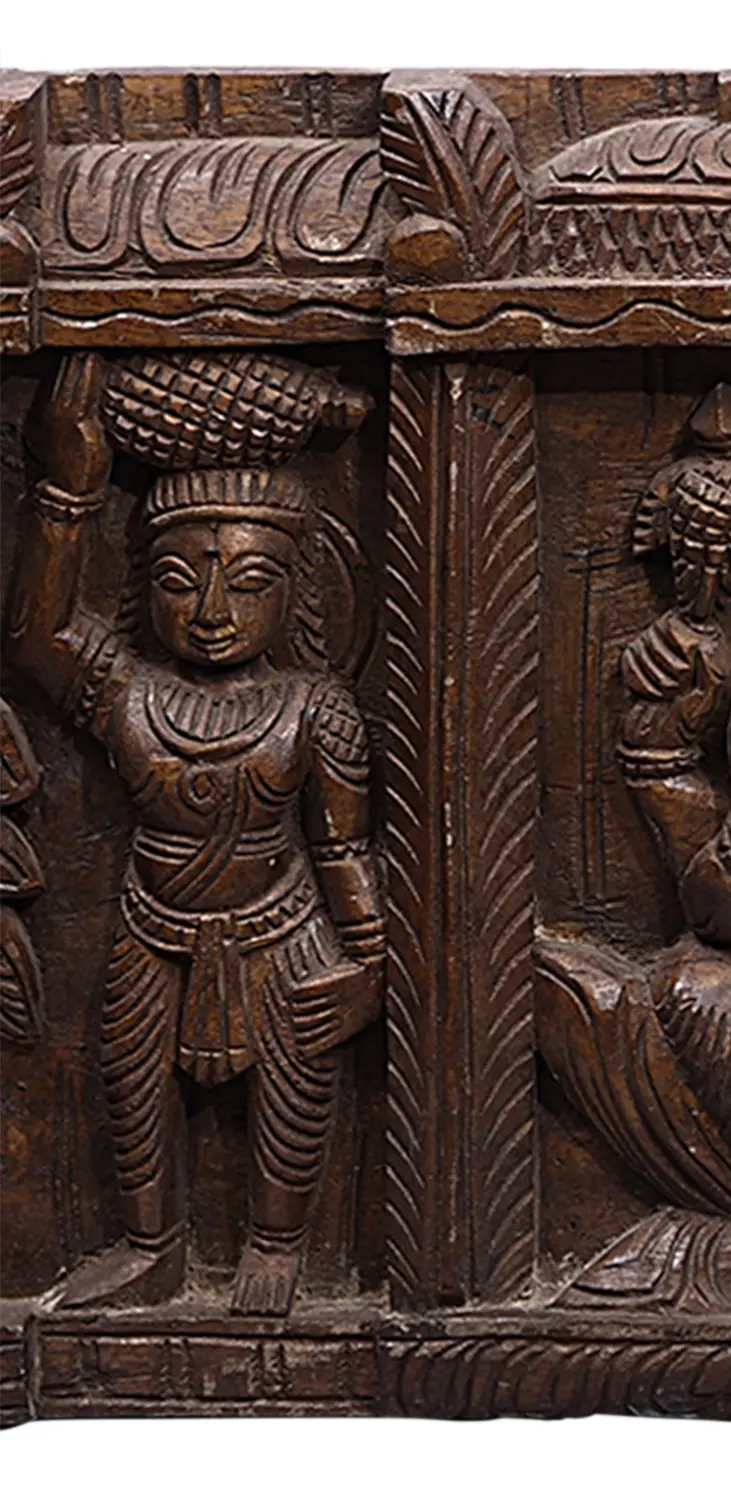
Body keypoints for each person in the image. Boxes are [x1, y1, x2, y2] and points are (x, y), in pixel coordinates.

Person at [10, 354, 384, 1315]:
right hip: (155, 930)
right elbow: (38, 637)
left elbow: (343, 850)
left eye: (249, 584)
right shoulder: (132, 692)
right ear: (147, 588)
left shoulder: (315, 707)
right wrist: (69, 490)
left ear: (296, 592)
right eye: (180, 582)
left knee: (295, 1087)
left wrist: (367, 964)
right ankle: (152, 1248)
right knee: (131, 1081)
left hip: (283, 928)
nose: (212, 612)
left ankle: (277, 1246)